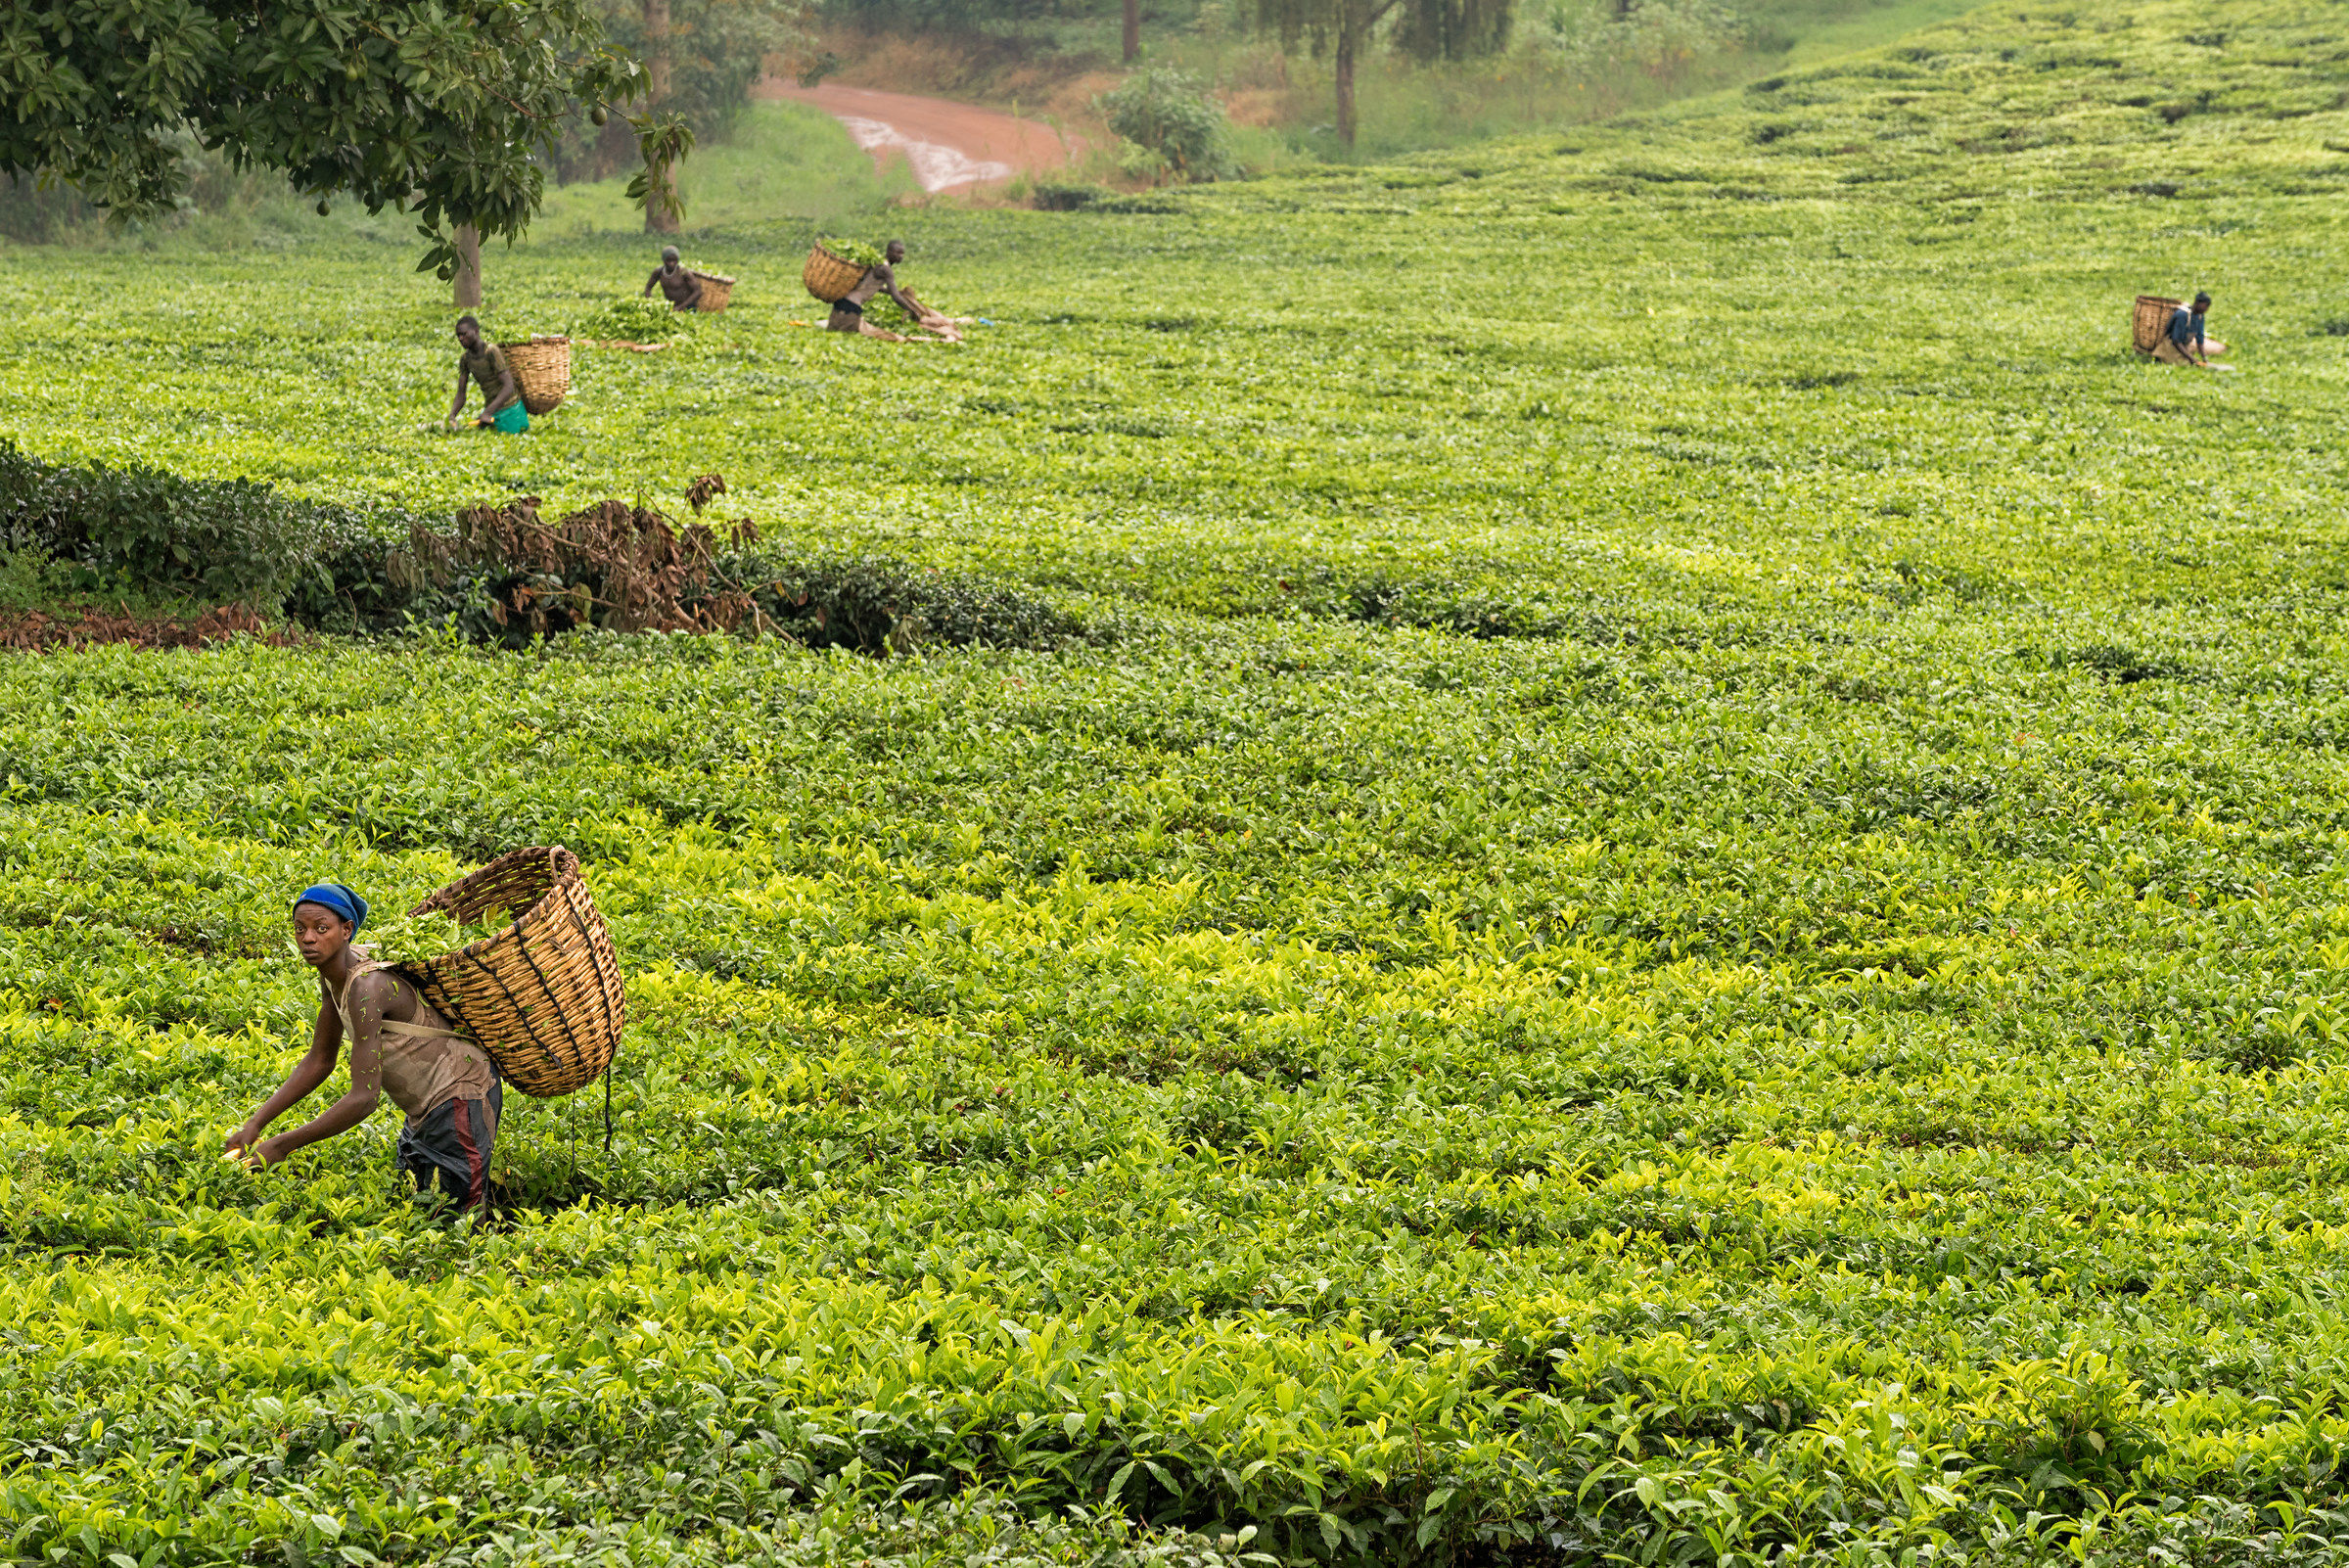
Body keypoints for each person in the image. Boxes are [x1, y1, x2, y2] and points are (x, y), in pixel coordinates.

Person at [225, 884, 504, 1214]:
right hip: (423, 1110)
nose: (308, 939)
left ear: (347, 931)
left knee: (460, 1221)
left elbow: (364, 1099)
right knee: (416, 1208)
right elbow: (319, 1060)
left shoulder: (367, 987)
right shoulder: (332, 976)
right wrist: (256, 1125)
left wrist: (282, 1146)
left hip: (460, 1097)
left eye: (321, 928)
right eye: (300, 929)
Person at [828, 240, 960, 343]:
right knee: (852, 335)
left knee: (836, 331)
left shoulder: (877, 264)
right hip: (852, 307)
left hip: (842, 303)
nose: (901, 256)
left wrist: (889, 291)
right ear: (889, 252)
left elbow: (872, 286)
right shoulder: (886, 270)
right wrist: (912, 311)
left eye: (902, 253)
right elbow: (896, 297)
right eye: (898, 252)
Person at [447, 315, 528, 432]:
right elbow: (461, 393)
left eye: (464, 334)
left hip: (510, 409)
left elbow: (509, 385)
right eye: (458, 335)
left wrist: (488, 412)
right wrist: (452, 416)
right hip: (492, 411)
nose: (460, 338)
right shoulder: (465, 359)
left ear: (475, 331)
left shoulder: (491, 351)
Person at [2153, 291, 2222, 367]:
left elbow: (2200, 339)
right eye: (2205, 306)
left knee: (2193, 362)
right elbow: (2176, 341)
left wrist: (2205, 358)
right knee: (2185, 364)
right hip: (2171, 346)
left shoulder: (2200, 316)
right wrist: (2191, 359)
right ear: (2197, 303)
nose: (2206, 309)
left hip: (2184, 345)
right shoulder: (2182, 315)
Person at [643, 246, 704, 311]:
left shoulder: (683, 272)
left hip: (688, 307)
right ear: (663, 260)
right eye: (668, 260)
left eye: (674, 260)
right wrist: (651, 303)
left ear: (677, 260)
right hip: (671, 307)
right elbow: (648, 287)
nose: (671, 263)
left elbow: (698, 291)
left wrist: (682, 306)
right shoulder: (659, 272)